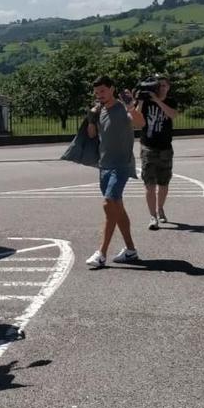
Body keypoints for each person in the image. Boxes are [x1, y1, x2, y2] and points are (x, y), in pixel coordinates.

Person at [85, 76, 145, 269]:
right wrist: (91, 118)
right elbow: (92, 135)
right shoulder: (100, 110)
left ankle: (101, 253)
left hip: (121, 165)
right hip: (104, 165)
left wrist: (131, 107)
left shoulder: (122, 108)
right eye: (97, 92)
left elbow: (140, 123)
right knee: (116, 207)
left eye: (102, 91)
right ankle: (130, 250)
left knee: (109, 203)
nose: (99, 95)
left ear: (112, 89)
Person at [137, 75, 179, 230]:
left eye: (163, 85)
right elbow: (136, 119)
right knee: (149, 184)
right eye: (158, 85)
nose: (160, 88)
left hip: (165, 147)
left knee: (164, 183)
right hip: (148, 146)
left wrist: (158, 100)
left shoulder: (171, 101)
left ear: (168, 87)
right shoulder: (145, 101)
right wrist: (140, 100)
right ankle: (152, 216)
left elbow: (173, 114)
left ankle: (160, 208)